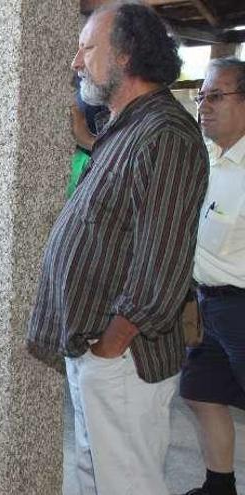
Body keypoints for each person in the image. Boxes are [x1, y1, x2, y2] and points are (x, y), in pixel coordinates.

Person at [25, 4, 209, 495]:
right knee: (95, 477)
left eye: (87, 48)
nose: (75, 61)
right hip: (100, 350)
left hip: (125, 356)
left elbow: (162, 261)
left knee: (127, 483)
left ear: (125, 56)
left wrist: (112, 342)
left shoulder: (165, 134)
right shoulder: (126, 127)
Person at [179, 57, 245, 495]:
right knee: (200, 391)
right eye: (202, 96)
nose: (204, 105)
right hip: (208, 307)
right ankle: (219, 485)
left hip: (242, 309)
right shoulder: (206, 157)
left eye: (216, 96)